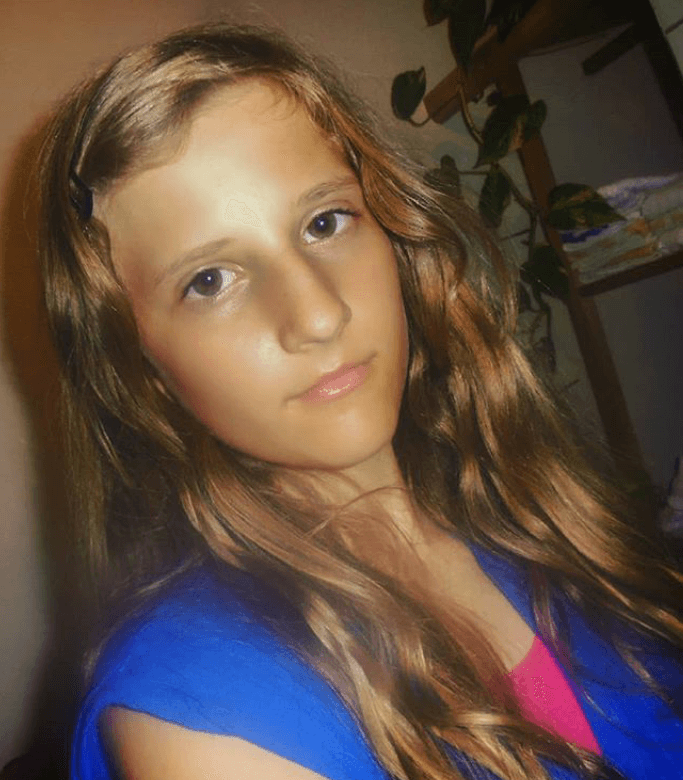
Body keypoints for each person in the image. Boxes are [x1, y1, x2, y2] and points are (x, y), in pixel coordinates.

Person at [37, 23, 683, 780]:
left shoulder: (519, 504)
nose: (318, 314)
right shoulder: (212, 719)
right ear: (137, 363)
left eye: (324, 222)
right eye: (209, 280)